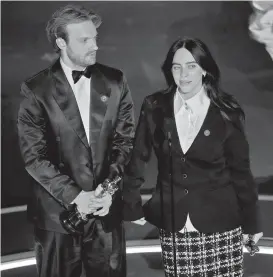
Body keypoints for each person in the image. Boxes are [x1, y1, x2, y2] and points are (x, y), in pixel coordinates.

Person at [123, 37, 263, 277]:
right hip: (175, 222)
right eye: (177, 67)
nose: (183, 74)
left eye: (191, 66)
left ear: (205, 69)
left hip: (221, 222)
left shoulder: (227, 111)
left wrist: (252, 222)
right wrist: (131, 204)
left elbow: (241, 171)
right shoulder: (155, 105)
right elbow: (138, 156)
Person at [17, 4, 135, 277]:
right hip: (57, 218)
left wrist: (108, 190)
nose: (95, 45)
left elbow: (124, 141)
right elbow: (34, 156)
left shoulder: (116, 81)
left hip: (106, 213)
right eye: (84, 40)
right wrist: (76, 197)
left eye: (95, 37)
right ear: (61, 43)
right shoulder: (36, 90)